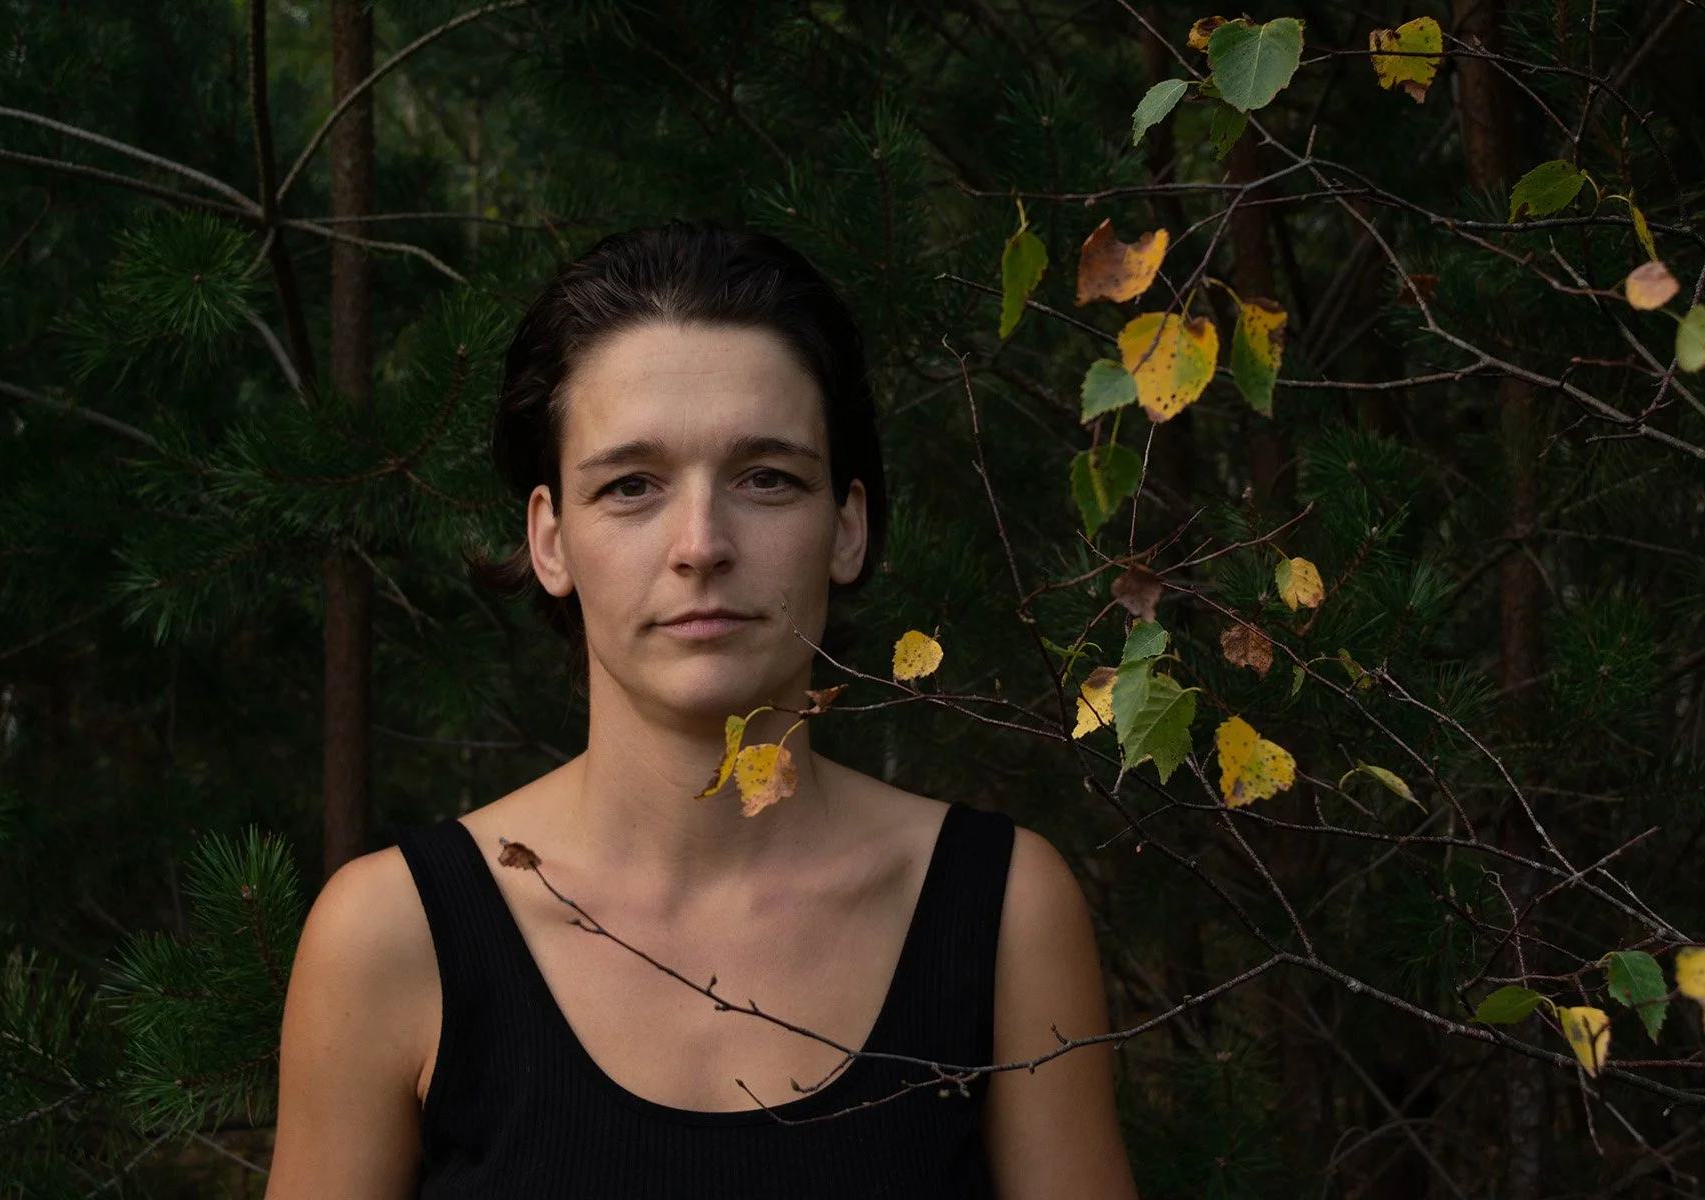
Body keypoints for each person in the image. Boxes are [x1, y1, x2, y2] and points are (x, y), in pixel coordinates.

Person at [265, 220, 1139, 1199]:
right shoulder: (390, 935)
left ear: (847, 527)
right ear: (549, 539)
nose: (700, 543)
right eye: (631, 485)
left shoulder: (1004, 912)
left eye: (766, 478)